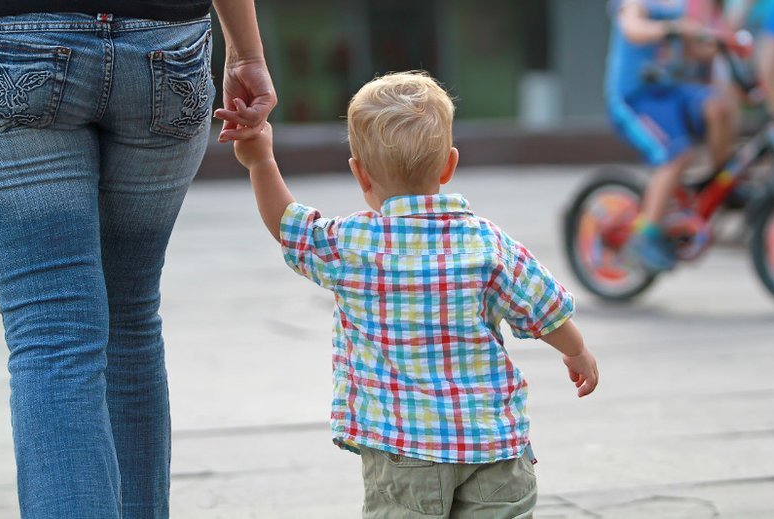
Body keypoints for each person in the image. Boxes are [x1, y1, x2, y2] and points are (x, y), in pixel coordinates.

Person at [229, 71, 599, 518]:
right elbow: (544, 308)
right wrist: (577, 352)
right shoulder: (486, 242)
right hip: (493, 444)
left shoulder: (350, 244)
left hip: (402, 446)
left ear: (360, 174)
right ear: (449, 165)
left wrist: (260, 162)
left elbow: (287, 225)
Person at [0, 1, 275, 517]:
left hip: (18, 41)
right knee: (130, 319)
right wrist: (245, 53)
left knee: (52, 330)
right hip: (165, 49)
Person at [606, 0, 736, 271]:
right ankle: (646, 235)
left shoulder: (677, 3)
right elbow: (633, 29)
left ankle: (718, 181)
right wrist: (674, 27)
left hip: (670, 93)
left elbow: (692, 51)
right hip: (635, 98)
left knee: (718, 107)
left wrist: (720, 45)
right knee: (676, 154)